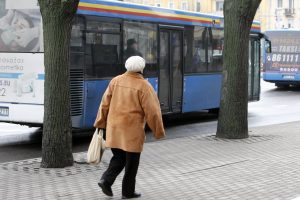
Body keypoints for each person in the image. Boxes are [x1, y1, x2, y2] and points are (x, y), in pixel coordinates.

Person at [94, 56, 165, 199]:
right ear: (141, 68)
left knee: (118, 158)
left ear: (127, 66)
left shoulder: (115, 81)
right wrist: (158, 132)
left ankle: (106, 180)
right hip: (132, 130)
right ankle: (127, 192)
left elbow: (104, 104)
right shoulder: (144, 86)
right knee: (132, 163)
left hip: (114, 128)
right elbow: (153, 112)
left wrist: (100, 123)